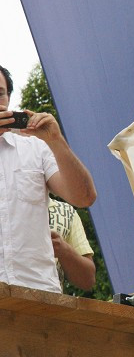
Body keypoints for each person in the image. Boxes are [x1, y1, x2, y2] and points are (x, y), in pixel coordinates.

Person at [0, 65, 96, 293]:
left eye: (0, 93)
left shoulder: (35, 146)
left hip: (38, 294)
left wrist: (56, 140)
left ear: (9, 98)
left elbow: (84, 198)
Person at [48, 198, 96, 292]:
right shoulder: (10, 212)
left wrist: (63, 250)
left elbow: (88, 280)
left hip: (50, 303)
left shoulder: (66, 212)